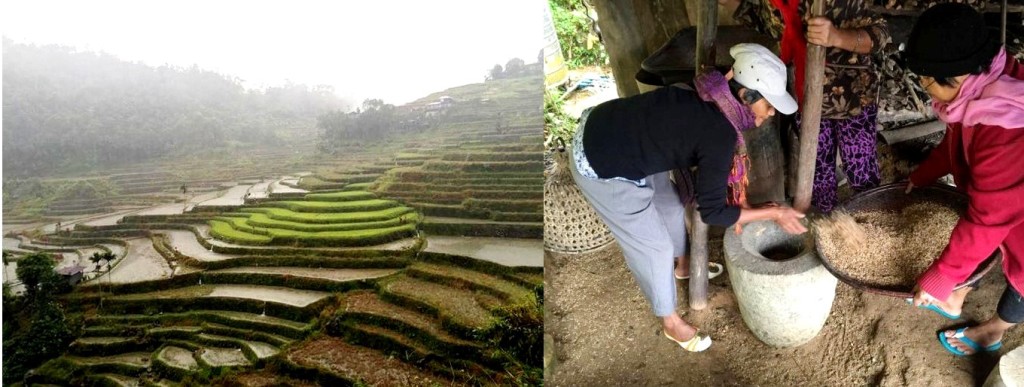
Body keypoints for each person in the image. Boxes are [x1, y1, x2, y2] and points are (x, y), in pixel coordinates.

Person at [570, 43, 808, 352]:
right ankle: (670, 322)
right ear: (745, 96)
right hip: (600, 159)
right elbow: (713, 213)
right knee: (653, 248)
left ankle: (684, 266)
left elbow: (701, 161)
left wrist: (749, 202)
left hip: (619, 131)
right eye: (770, 103)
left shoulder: (708, 91)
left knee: (669, 204)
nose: (773, 112)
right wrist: (774, 212)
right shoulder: (719, 134)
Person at [901, 3, 1024, 356]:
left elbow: (988, 221)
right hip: (1008, 201)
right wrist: (923, 175)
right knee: (983, 247)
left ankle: (994, 331)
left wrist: (940, 275)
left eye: (926, 84)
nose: (926, 93)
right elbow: (956, 141)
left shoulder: (1004, 125)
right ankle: (957, 294)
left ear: (953, 79)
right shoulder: (982, 89)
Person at [721, 0, 891, 212]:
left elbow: (880, 34)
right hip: (807, 99)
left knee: (860, 167)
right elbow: (761, 17)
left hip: (853, 99)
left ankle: (871, 217)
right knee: (818, 171)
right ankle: (828, 224)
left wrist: (837, 37)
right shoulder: (780, 4)